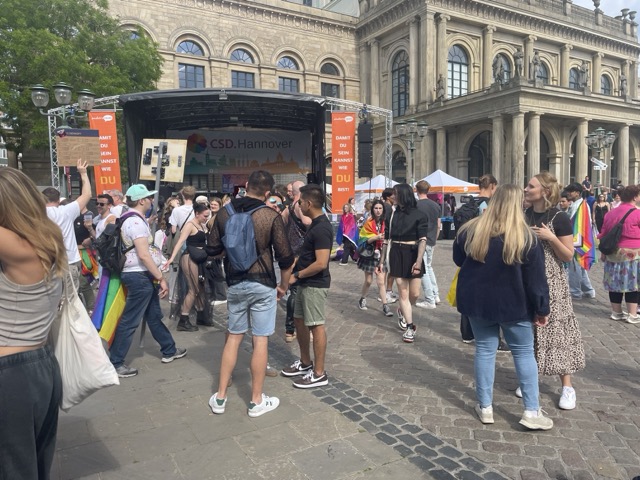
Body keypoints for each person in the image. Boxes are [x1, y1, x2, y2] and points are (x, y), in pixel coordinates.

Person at [454, 184, 553, 430]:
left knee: (485, 351)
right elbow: (536, 280)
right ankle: (531, 410)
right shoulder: (525, 237)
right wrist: (542, 308)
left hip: (479, 302)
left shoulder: (470, 230)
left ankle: (485, 406)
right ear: (518, 205)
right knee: (523, 353)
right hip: (514, 303)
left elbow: (458, 259)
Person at [207, 171, 294, 416]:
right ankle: (256, 401)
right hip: (263, 282)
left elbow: (212, 249)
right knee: (260, 339)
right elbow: (286, 258)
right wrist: (283, 285)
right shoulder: (270, 215)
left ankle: (221, 397)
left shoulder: (224, 212)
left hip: (235, 283)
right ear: (267, 193)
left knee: (233, 337)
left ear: (245, 186)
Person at [0, 167, 67, 479]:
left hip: (11, 371)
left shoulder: (17, 249)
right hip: (41, 365)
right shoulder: (47, 240)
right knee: (34, 466)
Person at [109, 184, 187, 378]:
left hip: (139, 274)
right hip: (139, 275)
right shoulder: (135, 222)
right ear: (142, 200)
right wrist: (161, 278)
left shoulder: (130, 219)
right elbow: (144, 255)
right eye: (149, 198)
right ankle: (115, 362)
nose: (152, 201)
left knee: (153, 315)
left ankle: (169, 349)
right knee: (130, 320)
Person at [524, 172, 586, 410]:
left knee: (558, 330)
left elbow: (568, 255)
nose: (526, 189)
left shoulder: (559, 218)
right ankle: (531, 379)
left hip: (552, 280)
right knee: (529, 331)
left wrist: (550, 237)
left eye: (531, 186)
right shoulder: (526, 213)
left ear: (545, 192)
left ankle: (567, 386)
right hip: (528, 278)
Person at [281, 184, 333, 388]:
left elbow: (321, 263)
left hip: (314, 283)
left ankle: (319, 373)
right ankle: (305, 362)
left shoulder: (322, 228)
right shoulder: (314, 224)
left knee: (316, 325)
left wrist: (297, 275)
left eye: (300, 201)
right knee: (299, 321)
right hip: (304, 282)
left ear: (309, 203)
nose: (298, 204)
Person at [377, 183, 427, 343]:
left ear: (403, 195)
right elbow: (386, 239)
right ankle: (410, 327)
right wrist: (382, 260)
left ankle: (403, 310)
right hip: (397, 253)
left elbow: (423, 240)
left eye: (396, 193)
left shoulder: (420, 215)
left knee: (415, 294)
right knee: (403, 292)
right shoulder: (391, 214)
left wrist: (418, 261)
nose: (393, 196)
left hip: (413, 253)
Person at [43, 159, 92, 296]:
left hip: (46, 262)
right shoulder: (66, 211)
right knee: (70, 301)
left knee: (51, 299)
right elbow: (87, 195)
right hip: (69, 261)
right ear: (58, 200)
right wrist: (83, 173)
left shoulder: (36, 213)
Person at [164, 202, 213, 331]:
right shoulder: (190, 225)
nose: (206, 218)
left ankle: (201, 315)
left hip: (199, 258)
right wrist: (171, 259)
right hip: (189, 258)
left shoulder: (201, 224)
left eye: (208, 216)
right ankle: (183, 320)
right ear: (197, 214)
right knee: (193, 289)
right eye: (204, 215)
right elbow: (180, 242)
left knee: (200, 287)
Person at [598, 185, 640, 324]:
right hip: (633, 253)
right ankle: (632, 314)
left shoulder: (611, 213)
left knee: (614, 282)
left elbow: (603, 232)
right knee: (632, 283)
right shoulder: (637, 213)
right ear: (634, 197)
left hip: (613, 253)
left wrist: (603, 253)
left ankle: (616, 312)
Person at [281, 180, 311, 342]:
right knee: (302, 291)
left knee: (294, 291)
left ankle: (290, 329)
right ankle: (298, 327)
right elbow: (307, 222)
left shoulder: (288, 207)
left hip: (292, 251)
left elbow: (281, 223)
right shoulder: (299, 205)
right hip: (302, 253)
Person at [356, 200, 393, 317]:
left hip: (382, 254)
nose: (378, 210)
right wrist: (376, 237)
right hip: (370, 254)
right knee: (368, 281)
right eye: (376, 208)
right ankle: (362, 298)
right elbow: (363, 239)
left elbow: (389, 238)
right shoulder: (368, 222)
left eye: (380, 208)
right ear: (372, 210)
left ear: (383, 210)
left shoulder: (386, 223)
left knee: (381, 281)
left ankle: (385, 305)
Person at [564, 183, 597, 300]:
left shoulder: (582, 205)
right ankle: (588, 290)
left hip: (578, 239)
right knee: (580, 266)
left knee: (575, 267)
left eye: (570, 191)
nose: (568, 193)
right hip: (578, 238)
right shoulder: (577, 204)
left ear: (577, 193)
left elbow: (581, 226)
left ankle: (575, 292)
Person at [415, 180, 441, 309]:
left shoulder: (416, 205)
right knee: (429, 267)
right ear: (428, 190)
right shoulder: (436, 205)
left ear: (416, 190)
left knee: (423, 270)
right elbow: (438, 225)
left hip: (421, 240)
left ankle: (430, 299)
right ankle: (435, 295)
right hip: (431, 239)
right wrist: (435, 239)